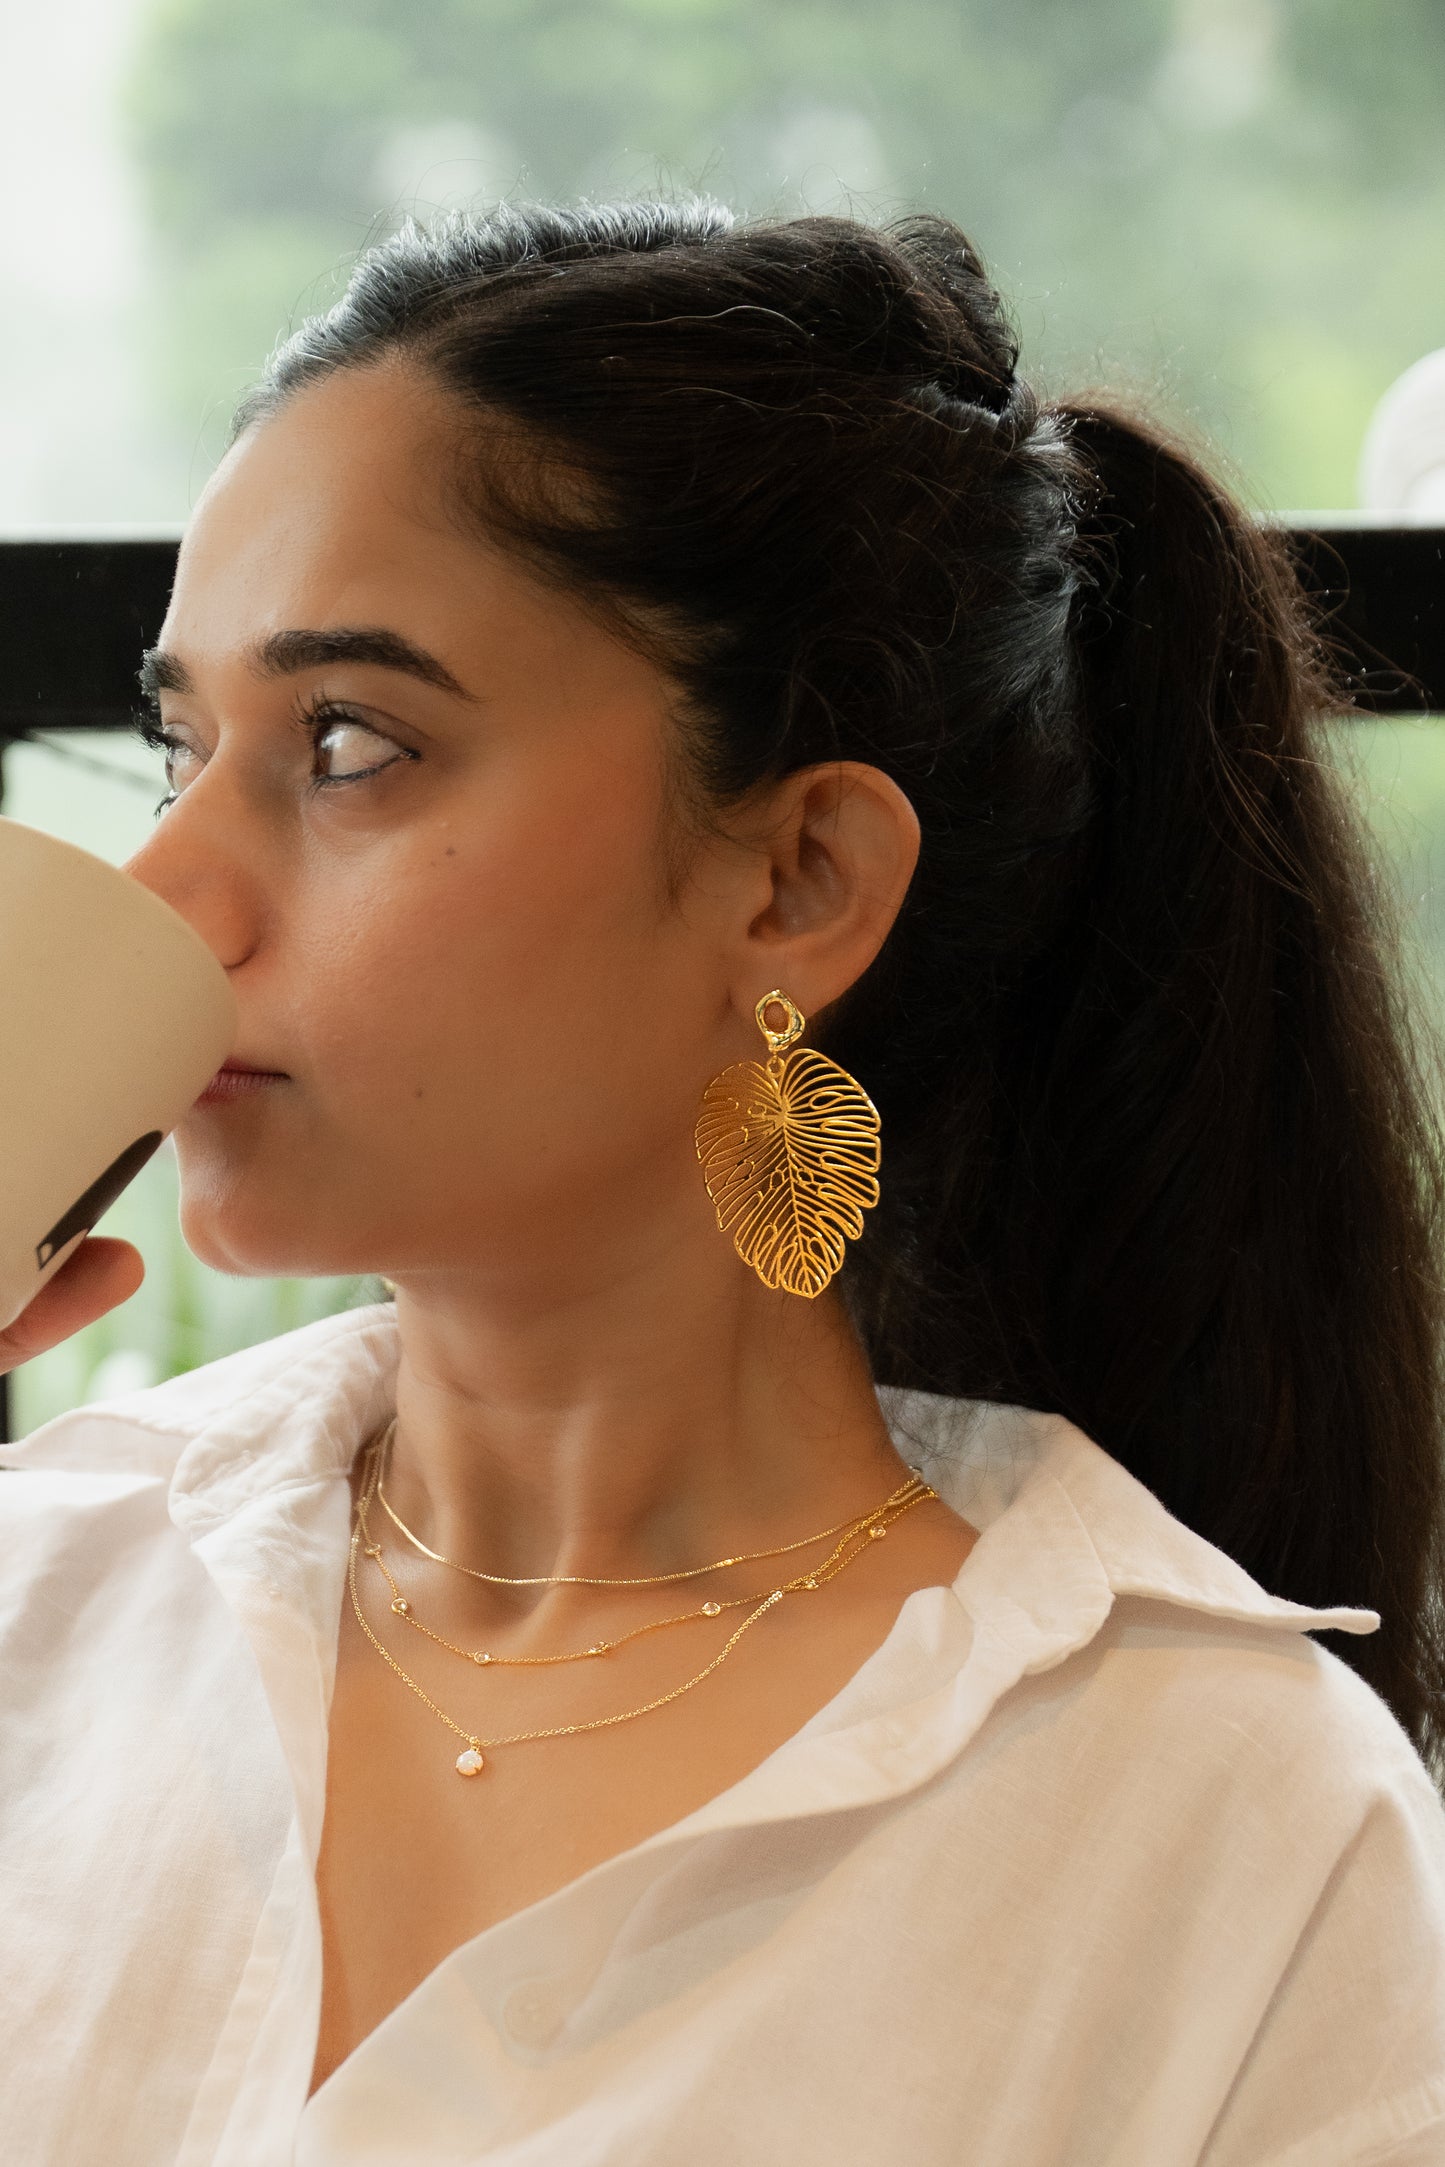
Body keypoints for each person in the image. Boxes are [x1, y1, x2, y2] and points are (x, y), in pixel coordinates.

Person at [1, 201, 1443, 2166]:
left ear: (799, 882)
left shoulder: (1231, 1835)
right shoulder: (44, 1597)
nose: (174, 895)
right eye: (187, 747)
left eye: (349, 740)